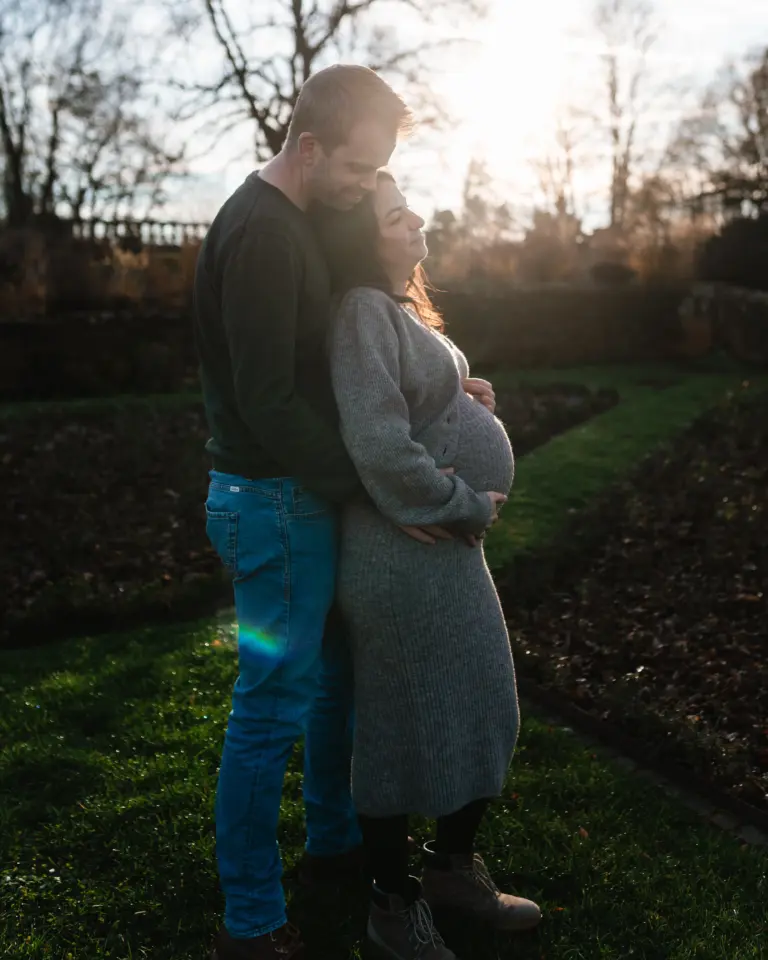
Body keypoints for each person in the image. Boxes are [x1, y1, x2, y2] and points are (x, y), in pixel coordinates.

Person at [193, 65, 414, 960]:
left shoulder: (296, 222)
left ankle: (333, 842)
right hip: (272, 503)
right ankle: (250, 920)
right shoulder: (264, 235)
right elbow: (265, 401)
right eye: (360, 173)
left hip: (293, 498)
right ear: (310, 146)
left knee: (330, 687)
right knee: (271, 708)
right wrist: (370, 484)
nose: (366, 192)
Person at [313, 171, 542, 960]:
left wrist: (463, 395)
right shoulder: (360, 311)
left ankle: (450, 871)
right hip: (399, 554)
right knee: (398, 729)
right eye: (395, 214)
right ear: (360, 235)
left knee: (484, 699)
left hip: (436, 553)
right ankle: (390, 904)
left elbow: (413, 405)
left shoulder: (399, 309)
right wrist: (462, 504)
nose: (417, 222)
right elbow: (376, 440)